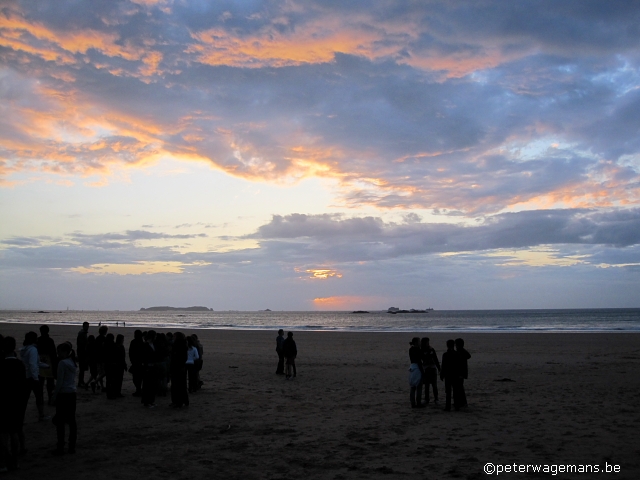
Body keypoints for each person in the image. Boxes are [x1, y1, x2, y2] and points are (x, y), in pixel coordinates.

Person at [0, 336, 27, 472]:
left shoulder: (2, 365)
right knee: (14, 432)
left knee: (4, 433)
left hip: (4, 401)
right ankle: (15, 462)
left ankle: (4, 463)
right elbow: (23, 384)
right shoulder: (20, 365)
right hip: (17, 401)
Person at [51, 342, 77, 455]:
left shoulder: (62, 363)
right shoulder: (72, 362)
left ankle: (60, 445)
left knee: (60, 421)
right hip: (72, 393)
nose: (58, 354)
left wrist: (54, 395)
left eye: (59, 351)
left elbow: (60, 382)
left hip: (63, 393)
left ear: (65, 352)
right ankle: (72, 446)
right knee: (71, 420)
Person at [19, 332, 46, 421]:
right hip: (32, 377)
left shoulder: (24, 349)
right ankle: (41, 415)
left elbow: (33, 363)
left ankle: (20, 416)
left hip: (25, 376)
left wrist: (45, 365)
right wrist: (36, 378)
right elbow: (33, 364)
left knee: (24, 398)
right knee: (39, 396)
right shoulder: (33, 350)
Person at [37, 325, 57, 406]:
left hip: (40, 362)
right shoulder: (50, 340)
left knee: (40, 383)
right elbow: (53, 354)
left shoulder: (38, 340)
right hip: (49, 362)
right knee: (50, 383)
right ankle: (50, 399)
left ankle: (40, 400)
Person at [440, 339, 462, 411]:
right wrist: (460, 374)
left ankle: (448, 406)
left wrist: (442, 374)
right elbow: (459, 366)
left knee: (448, 392)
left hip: (448, 375)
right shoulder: (457, 354)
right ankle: (456, 406)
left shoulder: (445, 355)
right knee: (456, 391)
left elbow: (443, 365)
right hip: (455, 374)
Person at [169, 333, 189, 408]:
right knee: (182, 385)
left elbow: (175, 358)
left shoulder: (177, 346)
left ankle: (177, 401)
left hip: (176, 368)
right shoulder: (184, 345)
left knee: (176, 385)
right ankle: (183, 401)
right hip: (182, 367)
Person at [420, 337, 440, 405]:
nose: (428, 343)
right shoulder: (421, 351)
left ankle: (436, 398)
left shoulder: (431, 349)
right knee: (427, 385)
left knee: (434, 385)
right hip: (426, 368)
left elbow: (436, 359)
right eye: (426, 342)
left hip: (432, 368)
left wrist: (439, 369)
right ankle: (427, 399)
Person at [141, 330, 158, 408]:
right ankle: (147, 402)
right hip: (147, 367)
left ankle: (151, 401)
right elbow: (144, 357)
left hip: (153, 367)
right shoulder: (145, 345)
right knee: (147, 385)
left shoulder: (153, 344)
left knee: (153, 384)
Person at [107, 335, 127, 399]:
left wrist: (124, 364)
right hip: (115, 365)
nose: (123, 340)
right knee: (114, 380)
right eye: (122, 339)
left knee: (119, 379)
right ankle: (114, 393)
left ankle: (117, 392)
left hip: (120, 365)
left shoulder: (121, 346)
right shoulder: (115, 346)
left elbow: (123, 357)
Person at [455, 338, 471, 409]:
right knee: (459, 388)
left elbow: (468, 356)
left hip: (460, 373)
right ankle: (461, 402)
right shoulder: (461, 351)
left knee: (460, 388)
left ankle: (463, 403)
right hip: (461, 373)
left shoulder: (461, 352)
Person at [408, 337, 424, 408]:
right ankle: (418, 402)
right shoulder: (418, 350)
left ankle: (412, 403)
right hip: (417, 367)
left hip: (412, 367)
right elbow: (420, 361)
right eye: (419, 342)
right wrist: (422, 372)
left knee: (413, 386)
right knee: (419, 387)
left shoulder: (411, 349)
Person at [128, 330, 144, 397]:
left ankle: (138, 389)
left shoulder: (134, 342)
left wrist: (132, 360)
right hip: (140, 362)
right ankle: (139, 389)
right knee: (139, 377)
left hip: (136, 362)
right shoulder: (142, 342)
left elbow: (130, 352)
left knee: (135, 378)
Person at [76, 322, 89, 388]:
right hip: (82, 353)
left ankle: (81, 381)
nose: (87, 327)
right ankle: (80, 382)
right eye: (86, 326)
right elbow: (81, 345)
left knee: (82, 368)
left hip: (82, 352)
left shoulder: (83, 333)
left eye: (88, 326)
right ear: (83, 326)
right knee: (82, 368)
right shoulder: (82, 334)